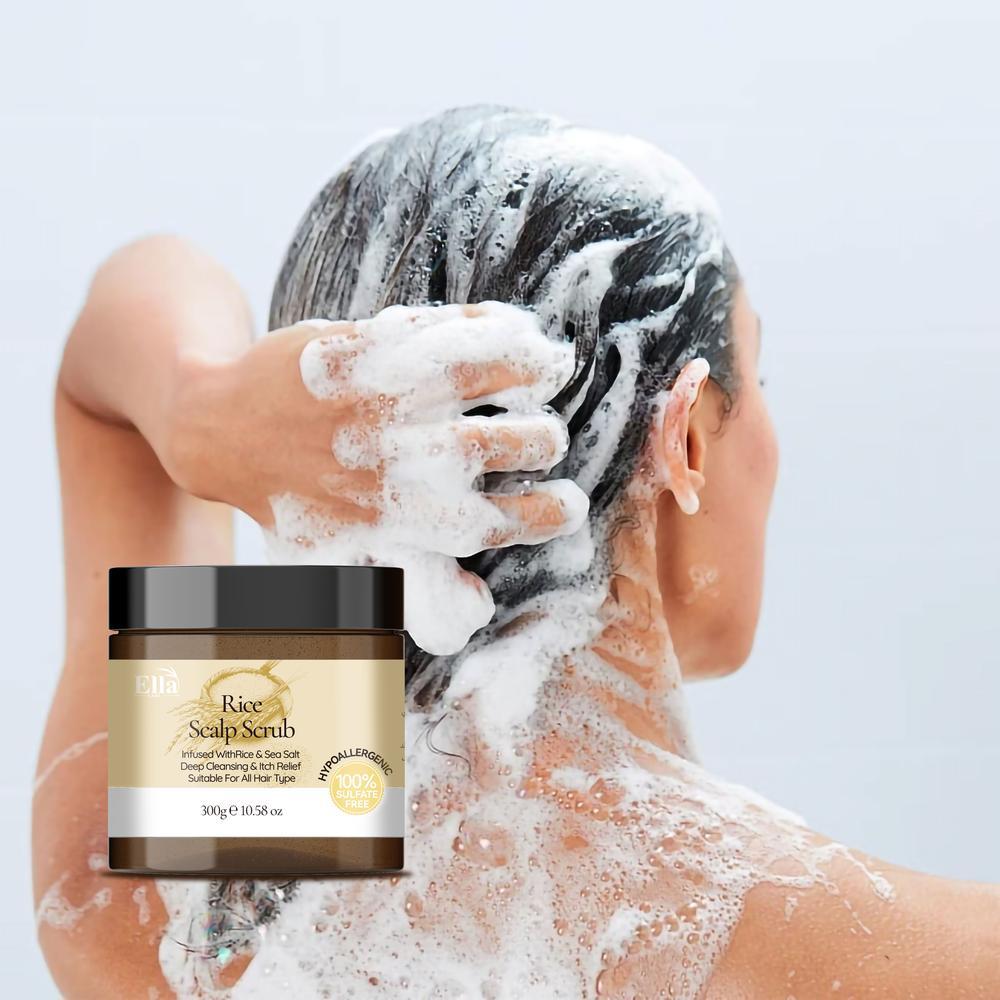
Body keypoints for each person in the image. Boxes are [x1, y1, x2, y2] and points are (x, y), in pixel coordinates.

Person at [35, 107, 1000, 998]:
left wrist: (197, 407)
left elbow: (120, 343)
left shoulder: (183, 912)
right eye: (761, 378)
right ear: (687, 440)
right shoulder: (935, 957)